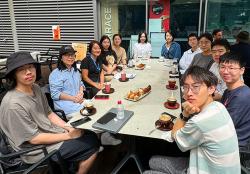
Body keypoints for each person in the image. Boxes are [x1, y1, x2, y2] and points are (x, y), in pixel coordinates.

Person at [0, 51, 99, 174]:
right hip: (36, 150)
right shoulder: (13, 105)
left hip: (49, 133)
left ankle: (69, 168)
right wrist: (68, 136)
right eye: (21, 69)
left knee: (88, 134)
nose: (28, 72)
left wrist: (68, 127)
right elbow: (34, 139)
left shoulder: (35, 87)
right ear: (13, 75)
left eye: (30, 67)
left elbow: (49, 113)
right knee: (91, 143)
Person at [144, 66, 240, 174]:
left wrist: (185, 113)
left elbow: (175, 136)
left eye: (196, 87)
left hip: (202, 169)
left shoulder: (200, 122)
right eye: (185, 87)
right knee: (153, 161)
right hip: (213, 166)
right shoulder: (219, 106)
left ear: (211, 88)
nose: (189, 93)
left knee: (147, 172)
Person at [219, 52, 250, 148]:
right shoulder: (228, 91)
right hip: (226, 137)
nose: (225, 71)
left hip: (235, 145)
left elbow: (225, 126)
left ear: (242, 70)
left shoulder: (242, 95)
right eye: (222, 67)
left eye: (231, 68)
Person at [49, 45, 85, 119]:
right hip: (67, 107)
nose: (70, 57)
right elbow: (55, 94)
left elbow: (80, 83)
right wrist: (74, 99)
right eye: (67, 55)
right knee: (90, 115)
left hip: (78, 102)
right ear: (61, 58)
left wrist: (81, 93)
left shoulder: (75, 71)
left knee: (97, 106)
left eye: (72, 55)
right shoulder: (55, 74)